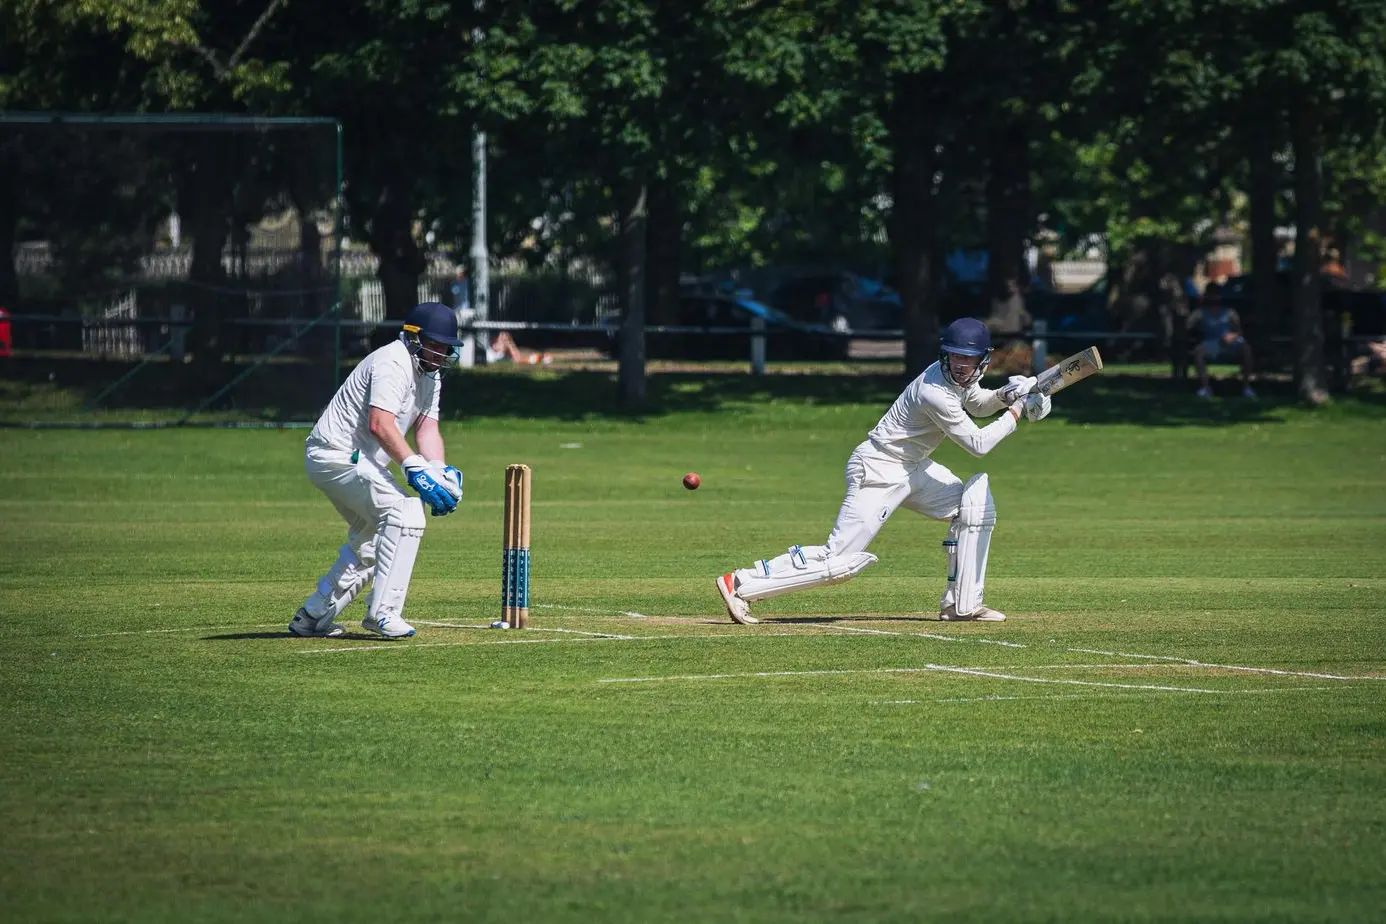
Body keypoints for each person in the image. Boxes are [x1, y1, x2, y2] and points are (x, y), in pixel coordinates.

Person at [714, 317, 1051, 625]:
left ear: (983, 360)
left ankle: (961, 605)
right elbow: (979, 445)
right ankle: (742, 583)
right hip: (879, 468)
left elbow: (978, 404)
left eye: (968, 359)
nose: (961, 365)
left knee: (972, 508)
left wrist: (1007, 395)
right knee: (839, 562)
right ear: (945, 354)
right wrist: (1018, 411)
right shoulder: (935, 392)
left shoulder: (959, 380)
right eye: (955, 356)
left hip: (913, 468)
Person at [289, 302, 465, 640]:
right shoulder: (392, 362)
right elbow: (380, 424)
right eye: (436, 344)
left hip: (355, 460)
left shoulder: (430, 373)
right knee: (406, 513)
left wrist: (439, 470)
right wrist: (415, 469)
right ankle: (383, 613)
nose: (442, 353)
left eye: (447, 347)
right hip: (335, 454)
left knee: (372, 542)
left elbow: (427, 428)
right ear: (414, 338)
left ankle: (312, 616)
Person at [1186, 282, 1255, 398]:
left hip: (1230, 344)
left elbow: (1239, 332)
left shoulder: (1229, 312)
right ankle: (1205, 388)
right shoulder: (1200, 313)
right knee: (1199, 352)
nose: (1214, 297)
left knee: (1246, 349)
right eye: (1211, 294)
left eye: (1216, 294)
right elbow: (1188, 325)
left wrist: (1232, 336)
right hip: (1211, 344)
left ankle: (1246, 388)